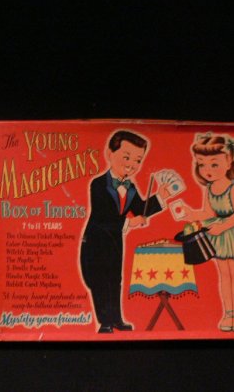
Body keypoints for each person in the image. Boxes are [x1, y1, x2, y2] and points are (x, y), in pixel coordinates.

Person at [80, 130, 171, 334]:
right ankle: (104, 322)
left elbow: (140, 209)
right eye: (127, 157)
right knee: (100, 281)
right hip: (96, 242)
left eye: (138, 160)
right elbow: (103, 217)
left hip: (115, 242)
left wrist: (161, 197)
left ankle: (116, 319)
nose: (131, 164)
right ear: (109, 154)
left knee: (115, 280)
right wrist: (130, 223)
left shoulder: (130, 188)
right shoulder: (98, 184)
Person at [177, 133, 234, 332]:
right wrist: (191, 213)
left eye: (214, 164)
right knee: (225, 275)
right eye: (202, 164)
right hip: (217, 232)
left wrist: (222, 227)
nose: (207, 170)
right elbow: (208, 213)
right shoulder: (209, 188)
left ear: (228, 162)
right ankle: (228, 314)